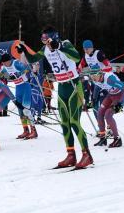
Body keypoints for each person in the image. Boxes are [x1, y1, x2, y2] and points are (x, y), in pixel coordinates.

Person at [20, 25, 94, 169]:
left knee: (74, 121)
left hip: (74, 85)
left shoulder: (65, 43)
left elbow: (77, 57)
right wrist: (24, 52)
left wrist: (59, 46)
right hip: (62, 87)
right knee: (64, 123)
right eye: (42, 39)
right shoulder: (46, 49)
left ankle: (87, 155)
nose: (44, 41)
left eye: (46, 38)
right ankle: (71, 155)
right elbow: (33, 58)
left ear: (53, 36)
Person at [0, 53, 37, 140]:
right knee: (20, 110)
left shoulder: (15, 63)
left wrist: (18, 74)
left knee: (26, 110)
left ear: (9, 60)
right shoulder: (4, 67)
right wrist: (1, 76)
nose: (4, 64)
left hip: (25, 86)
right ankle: (25, 130)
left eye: (5, 62)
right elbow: (1, 75)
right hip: (18, 88)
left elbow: (27, 69)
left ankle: (34, 131)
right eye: (3, 63)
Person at [91, 68, 124, 148]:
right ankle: (102, 138)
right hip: (111, 95)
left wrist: (119, 103)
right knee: (100, 112)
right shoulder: (96, 79)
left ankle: (117, 139)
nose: (93, 79)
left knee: (108, 114)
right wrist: (93, 100)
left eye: (94, 76)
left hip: (120, 96)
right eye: (91, 77)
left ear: (100, 74)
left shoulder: (109, 79)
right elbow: (97, 88)